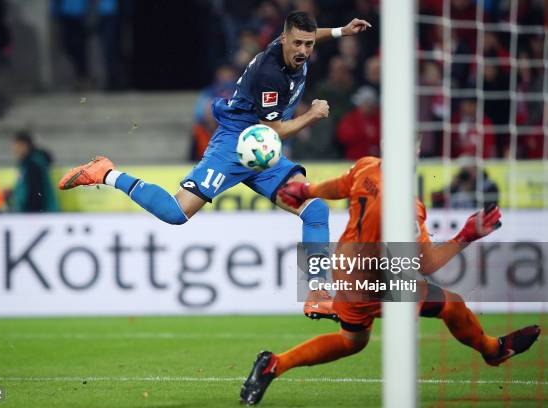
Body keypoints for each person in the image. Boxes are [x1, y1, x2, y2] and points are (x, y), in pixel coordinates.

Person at [59, 11, 371, 319]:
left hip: (262, 151)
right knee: (175, 213)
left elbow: (309, 33)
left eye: (308, 44)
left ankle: (317, 293)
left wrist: (340, 32)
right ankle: (107, 173)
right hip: (237, 144)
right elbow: (271, 131)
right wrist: (312, 115)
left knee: (314, 210)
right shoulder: (269, 73)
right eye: (298, 44)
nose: (304, 50)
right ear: (283, 39)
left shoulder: (294, 44)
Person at [239, 156, 540, 405]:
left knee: (352, 340)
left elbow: (340, 185)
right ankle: (492, 351)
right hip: (377, 281)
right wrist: (466, 236)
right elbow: (427, 263)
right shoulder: (407, 208)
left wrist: (307, 190)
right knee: (451, 304)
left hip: (346, 266)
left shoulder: (366, 166)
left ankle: (274, 363)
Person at [10, 131, 58, 213]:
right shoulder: (31, 162)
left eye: (17, 146)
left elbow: (36, 190)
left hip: (36, 212)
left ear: (25, 145)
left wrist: (32, 211)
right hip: (38, 211)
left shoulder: (32, 163)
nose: (15, 149)